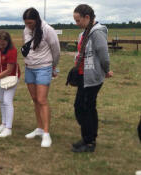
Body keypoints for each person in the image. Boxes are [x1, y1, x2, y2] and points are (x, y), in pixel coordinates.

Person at [71, 4, 113, 153]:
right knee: (80, 107)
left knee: (86, 108)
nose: (76, 24)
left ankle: (89, 142)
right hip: (83, 76)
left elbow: (103, 54)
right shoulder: (85, 33)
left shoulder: (97, 33)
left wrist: (106, 70)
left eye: (78, 20)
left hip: (92, 77)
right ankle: (87, 136)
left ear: (87, 18)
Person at [22, 8, 60, 147]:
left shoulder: (48, 29)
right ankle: (39, 128)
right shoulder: (25, 30)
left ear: (37, 19)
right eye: (26, 23)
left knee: (42, 100)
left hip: (44, 67)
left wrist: (53, 67)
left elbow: (56, 50)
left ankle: (46, 133)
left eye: (30, 23)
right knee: (34, 99)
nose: (28, 25)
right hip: (29, 68)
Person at [0, 31, 21, 138]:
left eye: (3, 44)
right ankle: (3, 123)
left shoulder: (12, 51)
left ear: (8, 42)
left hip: (10, 77)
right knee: (1, 100)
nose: (1, 46)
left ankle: (8, 128)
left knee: (7, 101)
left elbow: (9, 70)